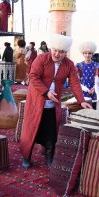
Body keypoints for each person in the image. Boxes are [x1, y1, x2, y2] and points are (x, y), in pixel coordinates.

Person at [20, 34, 92, 169]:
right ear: (51, 48)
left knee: (51, 131)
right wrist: (46, 92)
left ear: (66, 52)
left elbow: (75, 82)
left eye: (61, 52)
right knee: (31, 129)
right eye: (55, 50)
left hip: (54, 104)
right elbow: (33, 77)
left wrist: (81, 101)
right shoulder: (42, 58)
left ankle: (49, 157)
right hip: (37, 100)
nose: (57, 54)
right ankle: (27, 156)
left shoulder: (69, 64)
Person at [76, 41, 99, 109]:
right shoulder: (79, 66)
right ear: (83, 54)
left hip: (94, 92)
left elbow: (97, 79)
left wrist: (94, 88)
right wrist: (86, 89)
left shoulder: (96, 65)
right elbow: (77, 81)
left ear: (92, 54)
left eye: (89, 53)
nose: (87, 55)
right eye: (85, 53)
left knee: (93, 112)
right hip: (83, 93)